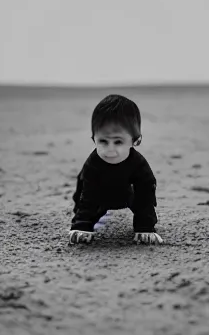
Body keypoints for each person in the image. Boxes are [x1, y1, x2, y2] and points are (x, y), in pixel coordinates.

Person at [69, 94, 164, 245]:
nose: (110, 150)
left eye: (118, 141)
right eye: (103, 141)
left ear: (135, 140)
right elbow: (85, 196)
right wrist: (82, 226)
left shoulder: (138, 164)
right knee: (88, 200)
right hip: (99, 196)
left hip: (128, 194)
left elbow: (146, 195)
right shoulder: (93, 164)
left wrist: (145, 228)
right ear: (94, 138)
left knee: (142, 198)